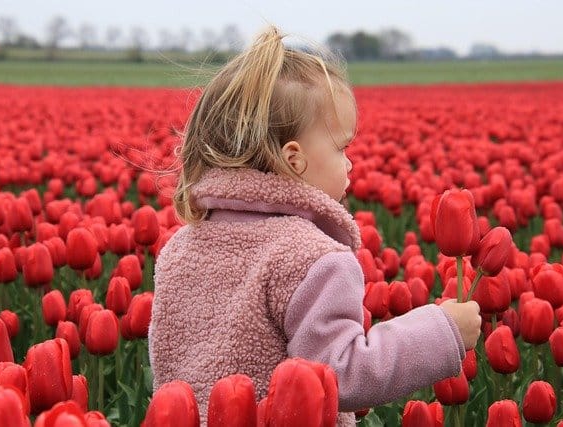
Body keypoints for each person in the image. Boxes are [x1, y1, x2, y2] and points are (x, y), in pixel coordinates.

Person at [148, 25, 481, 426]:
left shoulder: (180, 248)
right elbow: (340, 372)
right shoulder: (312, 258)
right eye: (342, 148)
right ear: (295, 159)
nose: (350, 163)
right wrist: (441, 331)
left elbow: (167, 364)